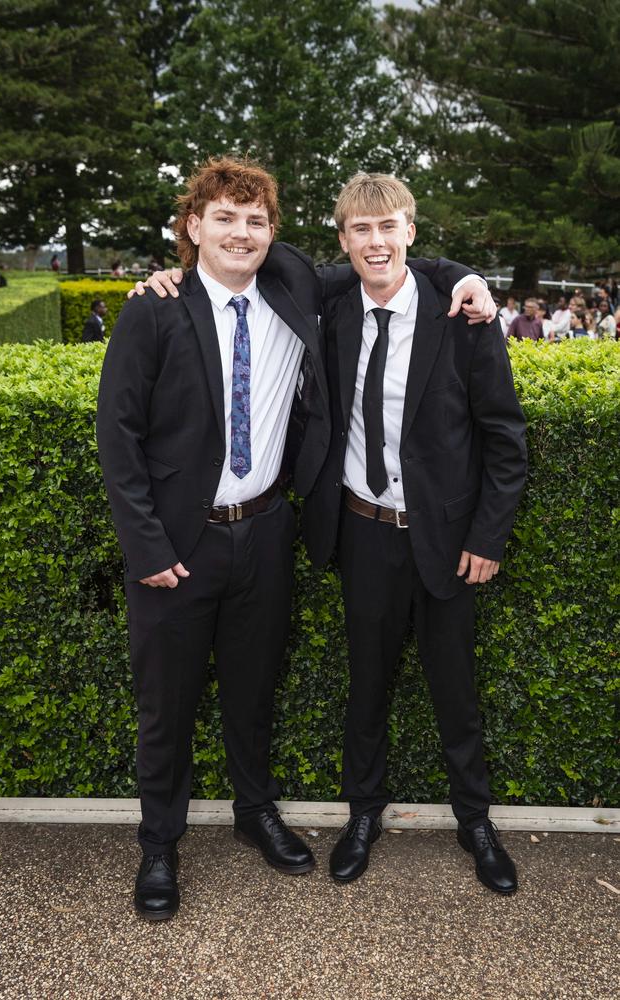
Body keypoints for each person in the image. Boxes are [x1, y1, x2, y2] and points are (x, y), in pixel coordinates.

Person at [106, 156, 494, 920]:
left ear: (273, 233)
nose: (240, 232)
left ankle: (256, 816)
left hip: (265, 535)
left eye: (255, 220)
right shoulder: (154, 309)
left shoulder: (293, 287)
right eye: (224, 217)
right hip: (177, 549)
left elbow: (384, 251)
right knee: (166, 707)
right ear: (194, 227)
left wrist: (465, 274)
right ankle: (159, 846)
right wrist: (146, 549)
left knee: (253, 696)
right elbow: (117, 440)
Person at [301, 173, 526, 894]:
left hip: (449, 541)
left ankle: (475, 823)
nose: (376, 242)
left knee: (455, 692)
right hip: (363, 534)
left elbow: (504, 438)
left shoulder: (463, 319)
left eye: (389, 226)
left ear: (411, 232)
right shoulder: (332, 311)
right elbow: (266, 261)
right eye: (361, 230)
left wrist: (488, 538)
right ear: (343, 241)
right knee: (365, 688)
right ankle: (362, 815)